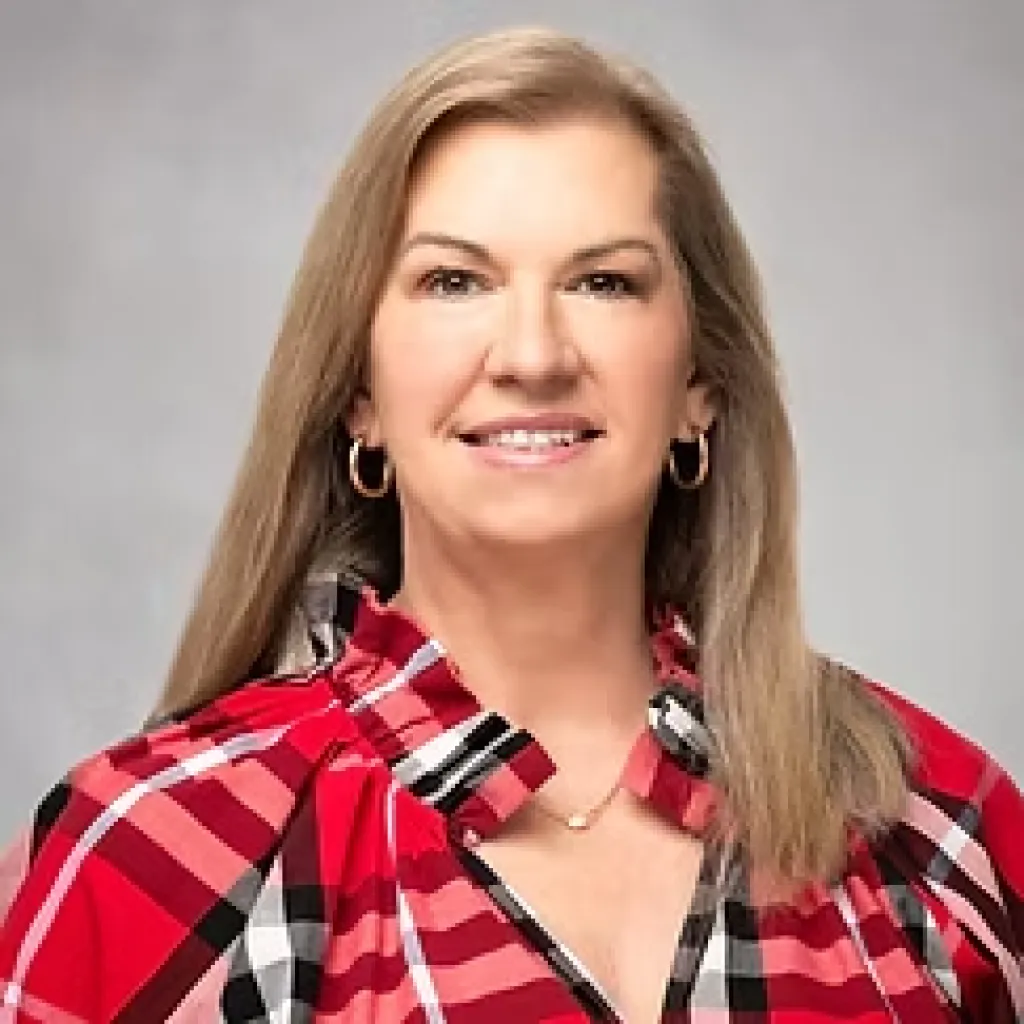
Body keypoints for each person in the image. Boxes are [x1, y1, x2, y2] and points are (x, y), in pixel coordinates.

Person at [1, 24, 1020, 1023]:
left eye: (603, 281)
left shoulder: (932, 830)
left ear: (700, 385)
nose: (532, 353)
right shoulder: (149, 852)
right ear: (357, 390)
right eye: (454, 280)